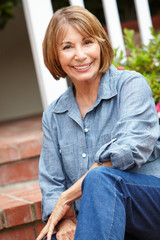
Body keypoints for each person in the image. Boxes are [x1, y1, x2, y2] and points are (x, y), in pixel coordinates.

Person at [36, 5, 160, 240]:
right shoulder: (53, 115)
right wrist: (66, 220)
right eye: (67, 47)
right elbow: (52, 182)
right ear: (55, 54)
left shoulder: (131, 85)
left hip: (151, 206)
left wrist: (67, 197)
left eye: (87, 42)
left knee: (100, 178)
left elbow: (127, 150)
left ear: (101, 45)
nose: (80, 55)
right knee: (56, 234)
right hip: (100, 218)